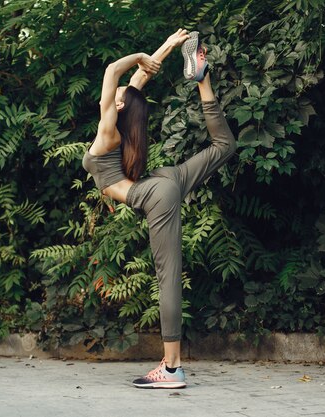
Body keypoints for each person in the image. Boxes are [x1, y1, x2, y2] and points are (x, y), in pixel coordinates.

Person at [81, 30, 237, 388]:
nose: (117, 93)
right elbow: (135, 81)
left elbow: (113, 73)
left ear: (117, 107)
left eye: (118, 96)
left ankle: (170, 369)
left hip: (155, 193)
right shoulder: (121, 125)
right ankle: (203, 79)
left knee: (168, 276)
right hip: (166, 180)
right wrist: (165, 48)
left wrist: (143, 52)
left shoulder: (108, 132)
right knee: (223, 145)